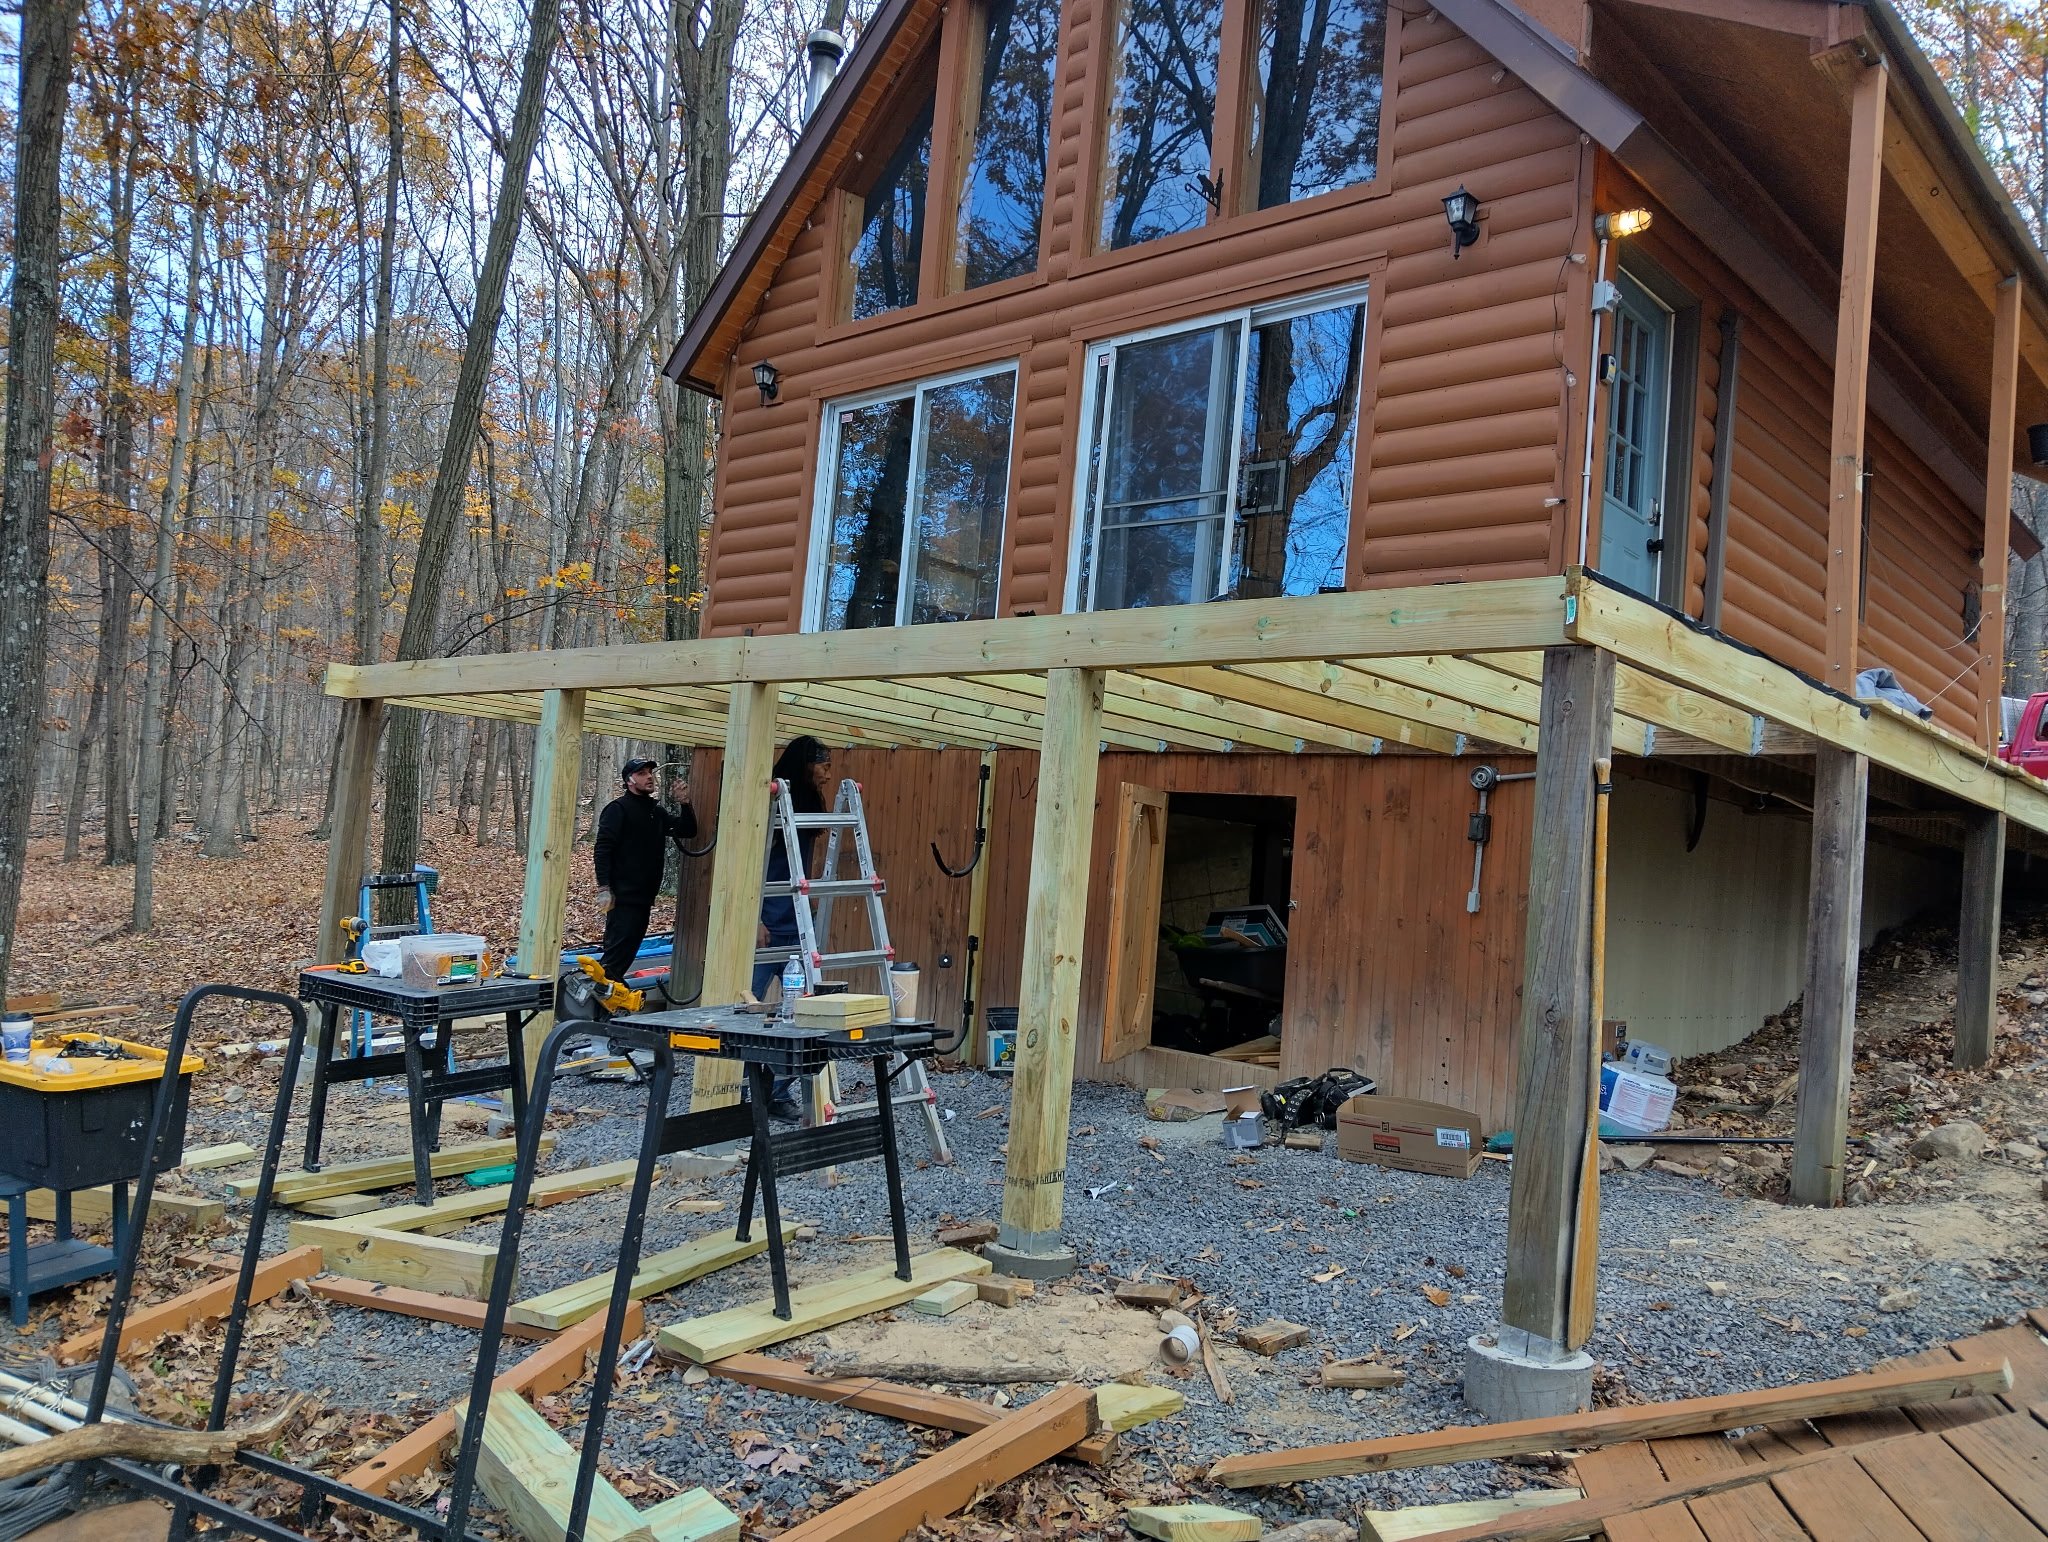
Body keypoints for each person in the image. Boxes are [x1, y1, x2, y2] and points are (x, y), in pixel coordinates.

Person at [754, 736, 834, 1121]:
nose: (827, 774)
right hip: (766, 923)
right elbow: (749, 857)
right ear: (805, 764)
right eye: (823, 765)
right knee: (746, 1009)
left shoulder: (801, 801)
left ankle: (774, 1093)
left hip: (795, 922)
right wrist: (752, 917)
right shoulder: (771, 799)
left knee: (801, 1015)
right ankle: (735, 1093)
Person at [592, 758, 697, 993]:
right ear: (630, 780)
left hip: (644, 897)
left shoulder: (654, 811)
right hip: (623, 897)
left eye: (650, 772)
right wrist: (604, 888)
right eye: (642, 773)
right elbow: (602, 849)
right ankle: (596, 999)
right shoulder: (617, 810)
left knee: (628, 950)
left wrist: (685, 803)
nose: (649, 776)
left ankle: (610, 997)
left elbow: (688, 830)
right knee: (616, 954)